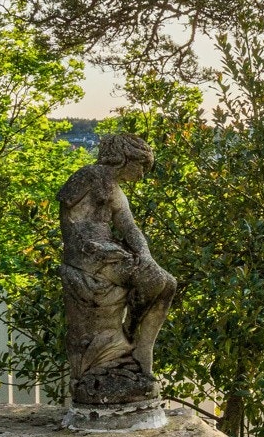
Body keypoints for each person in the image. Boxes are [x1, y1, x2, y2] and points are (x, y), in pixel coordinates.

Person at [57, 133, 177, 406]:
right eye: (141, 166)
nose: (142, 175)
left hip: (107, 251)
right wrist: (89, 246)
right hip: (86, 254)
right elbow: (67, 219)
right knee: (153, 281)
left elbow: (130, 228)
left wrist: (145, 255)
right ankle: (129, 335)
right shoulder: (88, 176)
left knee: (168, 283)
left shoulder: (116, 190)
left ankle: (139, 348)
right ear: (125, 158)